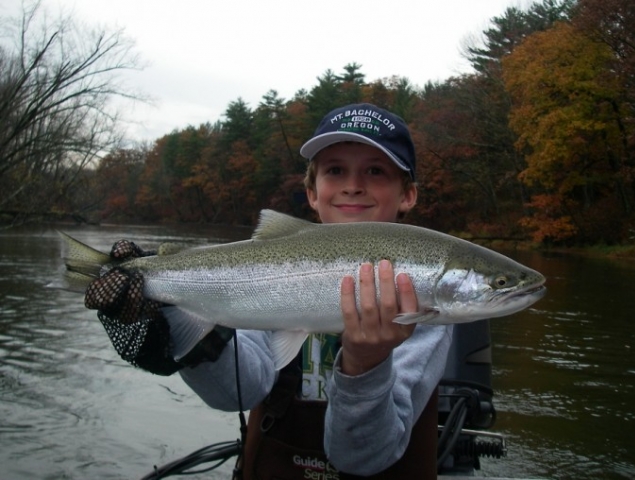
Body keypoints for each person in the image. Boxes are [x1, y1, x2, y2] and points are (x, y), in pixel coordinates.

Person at [85, 103, 453, 479]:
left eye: (375, 171)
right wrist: (176, 316)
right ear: (312, 192)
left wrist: (366, 365)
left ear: (407, 194)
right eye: (335, 170)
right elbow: (238, 393)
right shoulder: (266, 266)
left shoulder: (421, 305)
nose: (352, 184)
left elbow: (359, 459)